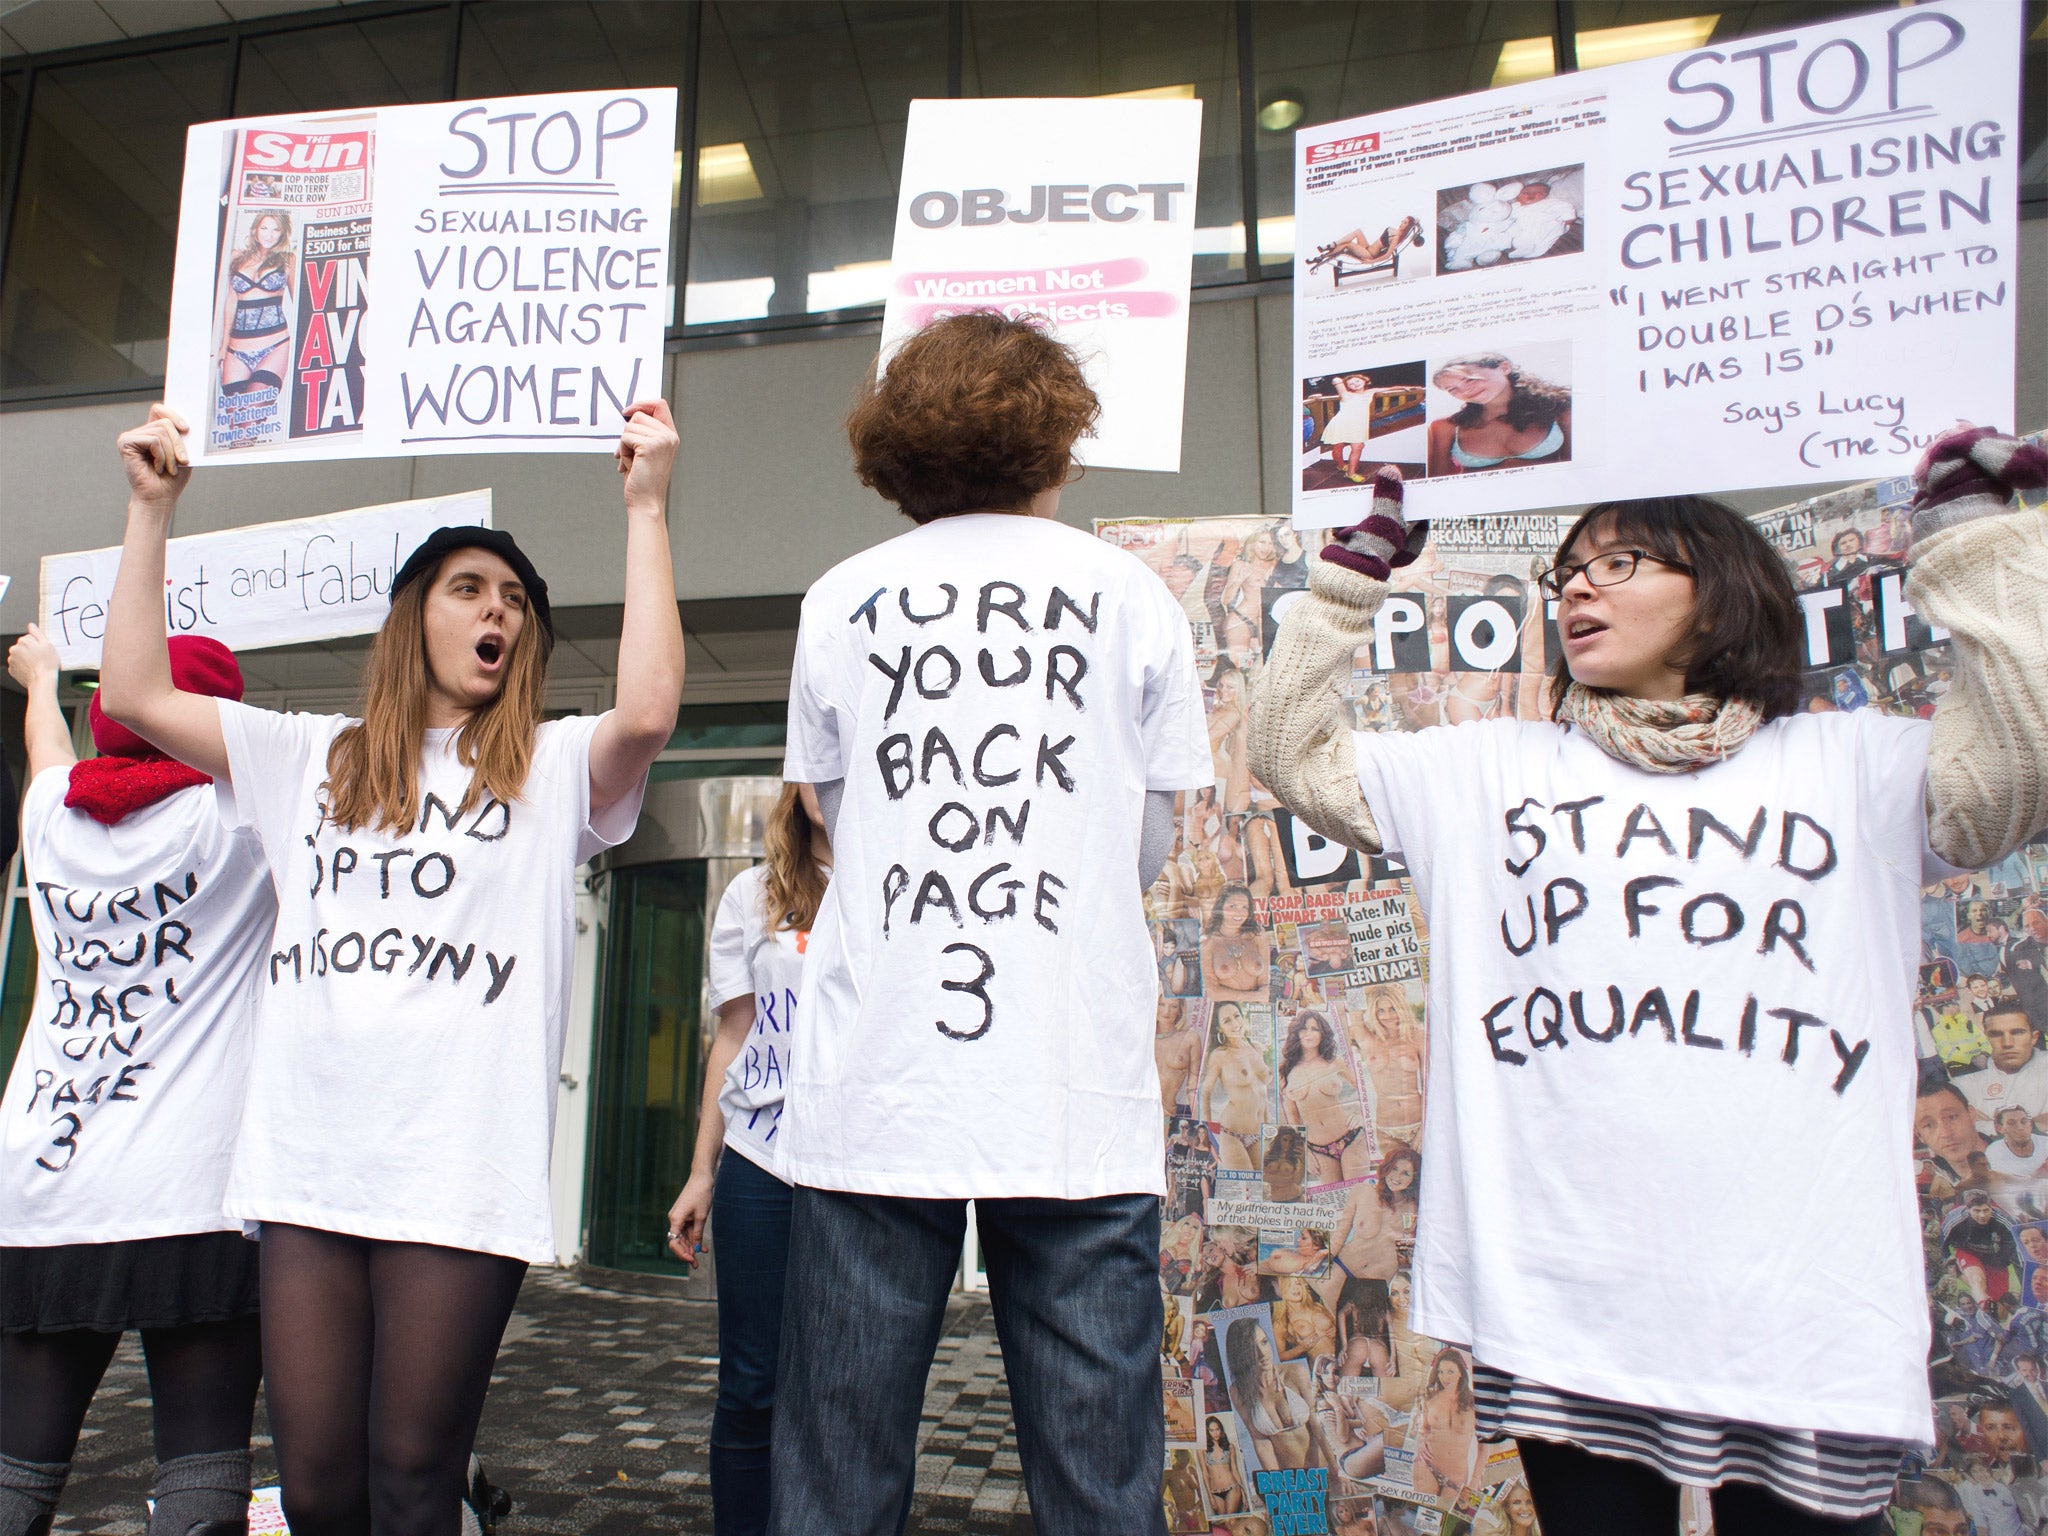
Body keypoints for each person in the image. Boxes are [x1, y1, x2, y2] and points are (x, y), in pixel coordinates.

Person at [1247, 427, 2048, 1529]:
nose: (1577, 589)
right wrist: (1346, 584)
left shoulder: (1854, 762)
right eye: (1565, 573)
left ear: (1717, 594)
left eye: (1616, 564)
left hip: (1795, 1303)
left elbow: (2017, 768)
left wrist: (1970, 537)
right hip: (1568, 1294)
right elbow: (1291, 750)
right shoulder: (1486, 768)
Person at [95, 400, 682, 1536]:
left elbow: (650, 709)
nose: (495, 610)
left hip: (453, 1173)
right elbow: (132, 697)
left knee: (412, 1480)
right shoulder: (306, 754)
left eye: (513, 600)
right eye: (470, 589)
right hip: (308, 1168)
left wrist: (645, 504)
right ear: (415, 617)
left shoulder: (549, 768)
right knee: (316, 1491)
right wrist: (150, 509)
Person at [764, 312, 1213, 1536]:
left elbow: (836, 817)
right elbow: (1149, 843)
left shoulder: (841, 598)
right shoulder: (1131, 596)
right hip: (1070, 1085)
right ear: (1059, 439)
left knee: (836, 1466)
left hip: (879, 1081)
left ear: (896, 448)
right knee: (1098, 1474)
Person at [0, 629, 274, 1536]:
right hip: (187, 1186)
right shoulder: (242, 816)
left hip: (45, 1182)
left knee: (15, 1469)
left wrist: (42, 678)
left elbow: (48, 751)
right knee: (200, 1473)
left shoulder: (51, 818)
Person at [663, 785, 831, 1536]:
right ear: (796, 782)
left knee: (841, 1389)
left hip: (857, 1167)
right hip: (760, 1160)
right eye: (815, 765)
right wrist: (704, 1171)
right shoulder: (753, 893)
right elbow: (734, 1035)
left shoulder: (898, 880)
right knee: (752, 1385)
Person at [210, 212, 295, 444]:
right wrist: (223, 347)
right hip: (236, 351)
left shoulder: (287, 260)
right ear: (256, 230)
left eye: (276, 229)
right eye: (264, 228)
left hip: (275, 346)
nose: (269, 235)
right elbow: (230, 303)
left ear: (283, 233)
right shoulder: (236, 257)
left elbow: (304, 303)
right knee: (236, 428)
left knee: (249, 423)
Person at [1424, 353, 1571, 478]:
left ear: (1504, 368)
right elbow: (1435, 485)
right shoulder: (1445, 427)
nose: (1465, 391)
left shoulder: (1559, 409)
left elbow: (1575, 470)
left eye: (1470, 379)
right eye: (1452, 389)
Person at [1280, 1010, 1374, 1185]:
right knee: (1335, 1200)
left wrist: (1362, 1117)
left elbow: (1365, 1089)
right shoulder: (1285, 1070)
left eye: (1315, 1029)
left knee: (1358, 1196)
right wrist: (1303, 1151)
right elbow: (1293, 1116)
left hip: (1350, 1139)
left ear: (1322, 1033)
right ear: (1296, 1033)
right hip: (1318, 1148)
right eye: (1304, 1029)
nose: (1309, 1034)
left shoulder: (1334, 1061)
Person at [1226, 1318, 1314, 1471]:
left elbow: (1318, 1429)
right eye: (1252, 1348)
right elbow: (1261, 1442)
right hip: (1289, 1478)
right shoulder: (1238, 1391)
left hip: (1320, 1469)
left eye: (1264, 1342)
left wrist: (1335, 1474)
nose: (1262, 1353)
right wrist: (1276, 1483)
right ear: (1240, 1355)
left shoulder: (1295, 1373)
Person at [1348, 986, 1426, 1150]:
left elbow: (1431, 1086)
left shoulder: (1417, 1036)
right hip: (1387, 1129)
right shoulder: (1367, 1039)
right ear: (1374, 1014)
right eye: (1380, 1011)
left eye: (1393, 1009)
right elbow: (1353, 998)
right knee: (1391, 1176)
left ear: (1401, 1008)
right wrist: (1377, 989)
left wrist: (1425, 1127)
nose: (1388, 1016)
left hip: (1420, 1123)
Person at [1200, 1001, 1271, 1172]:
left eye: (1236, 1016)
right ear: (1220, 1029)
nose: (1235, 1024)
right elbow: (1205, 1092)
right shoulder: (1220, 1055)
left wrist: (1268, 1126)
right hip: (1231, 1134)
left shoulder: (1256, 1048)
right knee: (1244, 1187)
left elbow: (1262, 1092)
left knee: (1260, 1189)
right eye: (1227, 1021)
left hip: (1258, 1133)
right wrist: (1210, 1132)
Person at [1965, 1003, 2048, 1132]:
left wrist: (1993, 1126)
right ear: (1986, 1038)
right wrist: (2036, 1124)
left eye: (2017, 1033)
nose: (2007, 1043)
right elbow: (1965, 1128)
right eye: (1996, 1034)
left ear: (2034, 1037)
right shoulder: (1966, 1082)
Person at [1204, 884, 1269, 999]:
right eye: (1232, 906)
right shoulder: (1208, 941)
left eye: (1244, 907)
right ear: (1220, 907)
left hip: (1257, 1009)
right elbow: (1212, 992)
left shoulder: (1258, 935)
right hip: (1225, 1009)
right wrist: (1253, 997)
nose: (1239, 913)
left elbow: (1265, 983)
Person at [1318, 374, 1382, 484]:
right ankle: (1342, 466)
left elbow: (1390, 388)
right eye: (1351, 384)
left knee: (1358, 446)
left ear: (1364, 380)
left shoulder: (1370, 392)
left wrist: (1406, 388)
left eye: (1357, 381)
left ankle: (1350, 473)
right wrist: (1339, 380)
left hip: (1357, 425)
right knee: (1338, 446)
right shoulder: (1346, 394)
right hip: (1340, 424)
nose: (1355, 384)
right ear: (1348, 387)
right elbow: (1336, 380)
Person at [1201, 1415, 1248, 1515]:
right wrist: (1210, 1497)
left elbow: (1235, 1471)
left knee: (1230, 1518)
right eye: (1211, 1430)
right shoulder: (1202, 1450)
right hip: (1215, 1492)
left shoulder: (1229, 1447)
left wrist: (1244, 1494)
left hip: (1232, 1488)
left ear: (1221, 1429)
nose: (1215, 1433)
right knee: (1223, 1521)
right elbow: (1205, 1474)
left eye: (1217, 1429)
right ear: (1207, 1432)